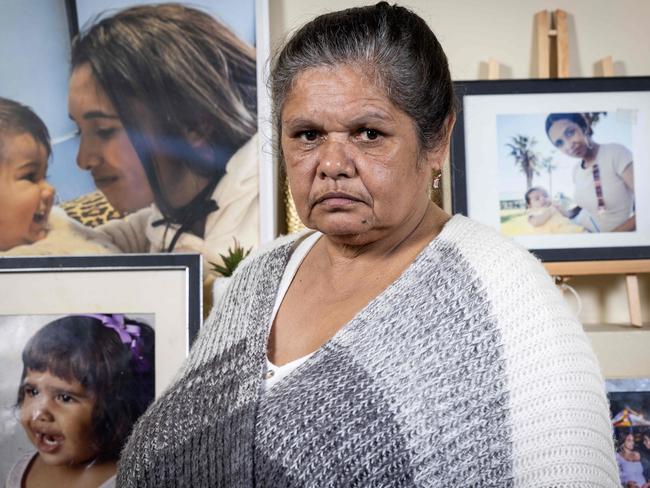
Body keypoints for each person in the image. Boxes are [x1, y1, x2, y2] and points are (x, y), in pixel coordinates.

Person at [116, 3, 619, 486]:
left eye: (368, 133)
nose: (332, 163)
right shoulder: (259, 276)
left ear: (437, 139)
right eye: (308, 134)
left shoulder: (506, 295)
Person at [68, 4, 260, 280]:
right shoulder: (178, 206)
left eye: (104, 130)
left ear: (194, 124)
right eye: (79, 131)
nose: (83, 160)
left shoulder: (266, 224)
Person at [6, 314, 154, 488]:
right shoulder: (21, 470)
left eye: (65, 397)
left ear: (115, 411)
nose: (40, 413)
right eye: (32, 391)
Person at [0, 97, 119, 255]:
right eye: (30, 177)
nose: (49, 189)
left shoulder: (56, 223)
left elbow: (112, 238)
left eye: (45, 176)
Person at [545, 112, 635, 233]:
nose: (568, 145)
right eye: (560, 143)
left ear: (584, 127)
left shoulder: (616, 153)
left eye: (570, 132)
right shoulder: (576, 170)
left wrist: (608, 241)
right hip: (580, 229)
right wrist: (564, 212)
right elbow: (584, 207)